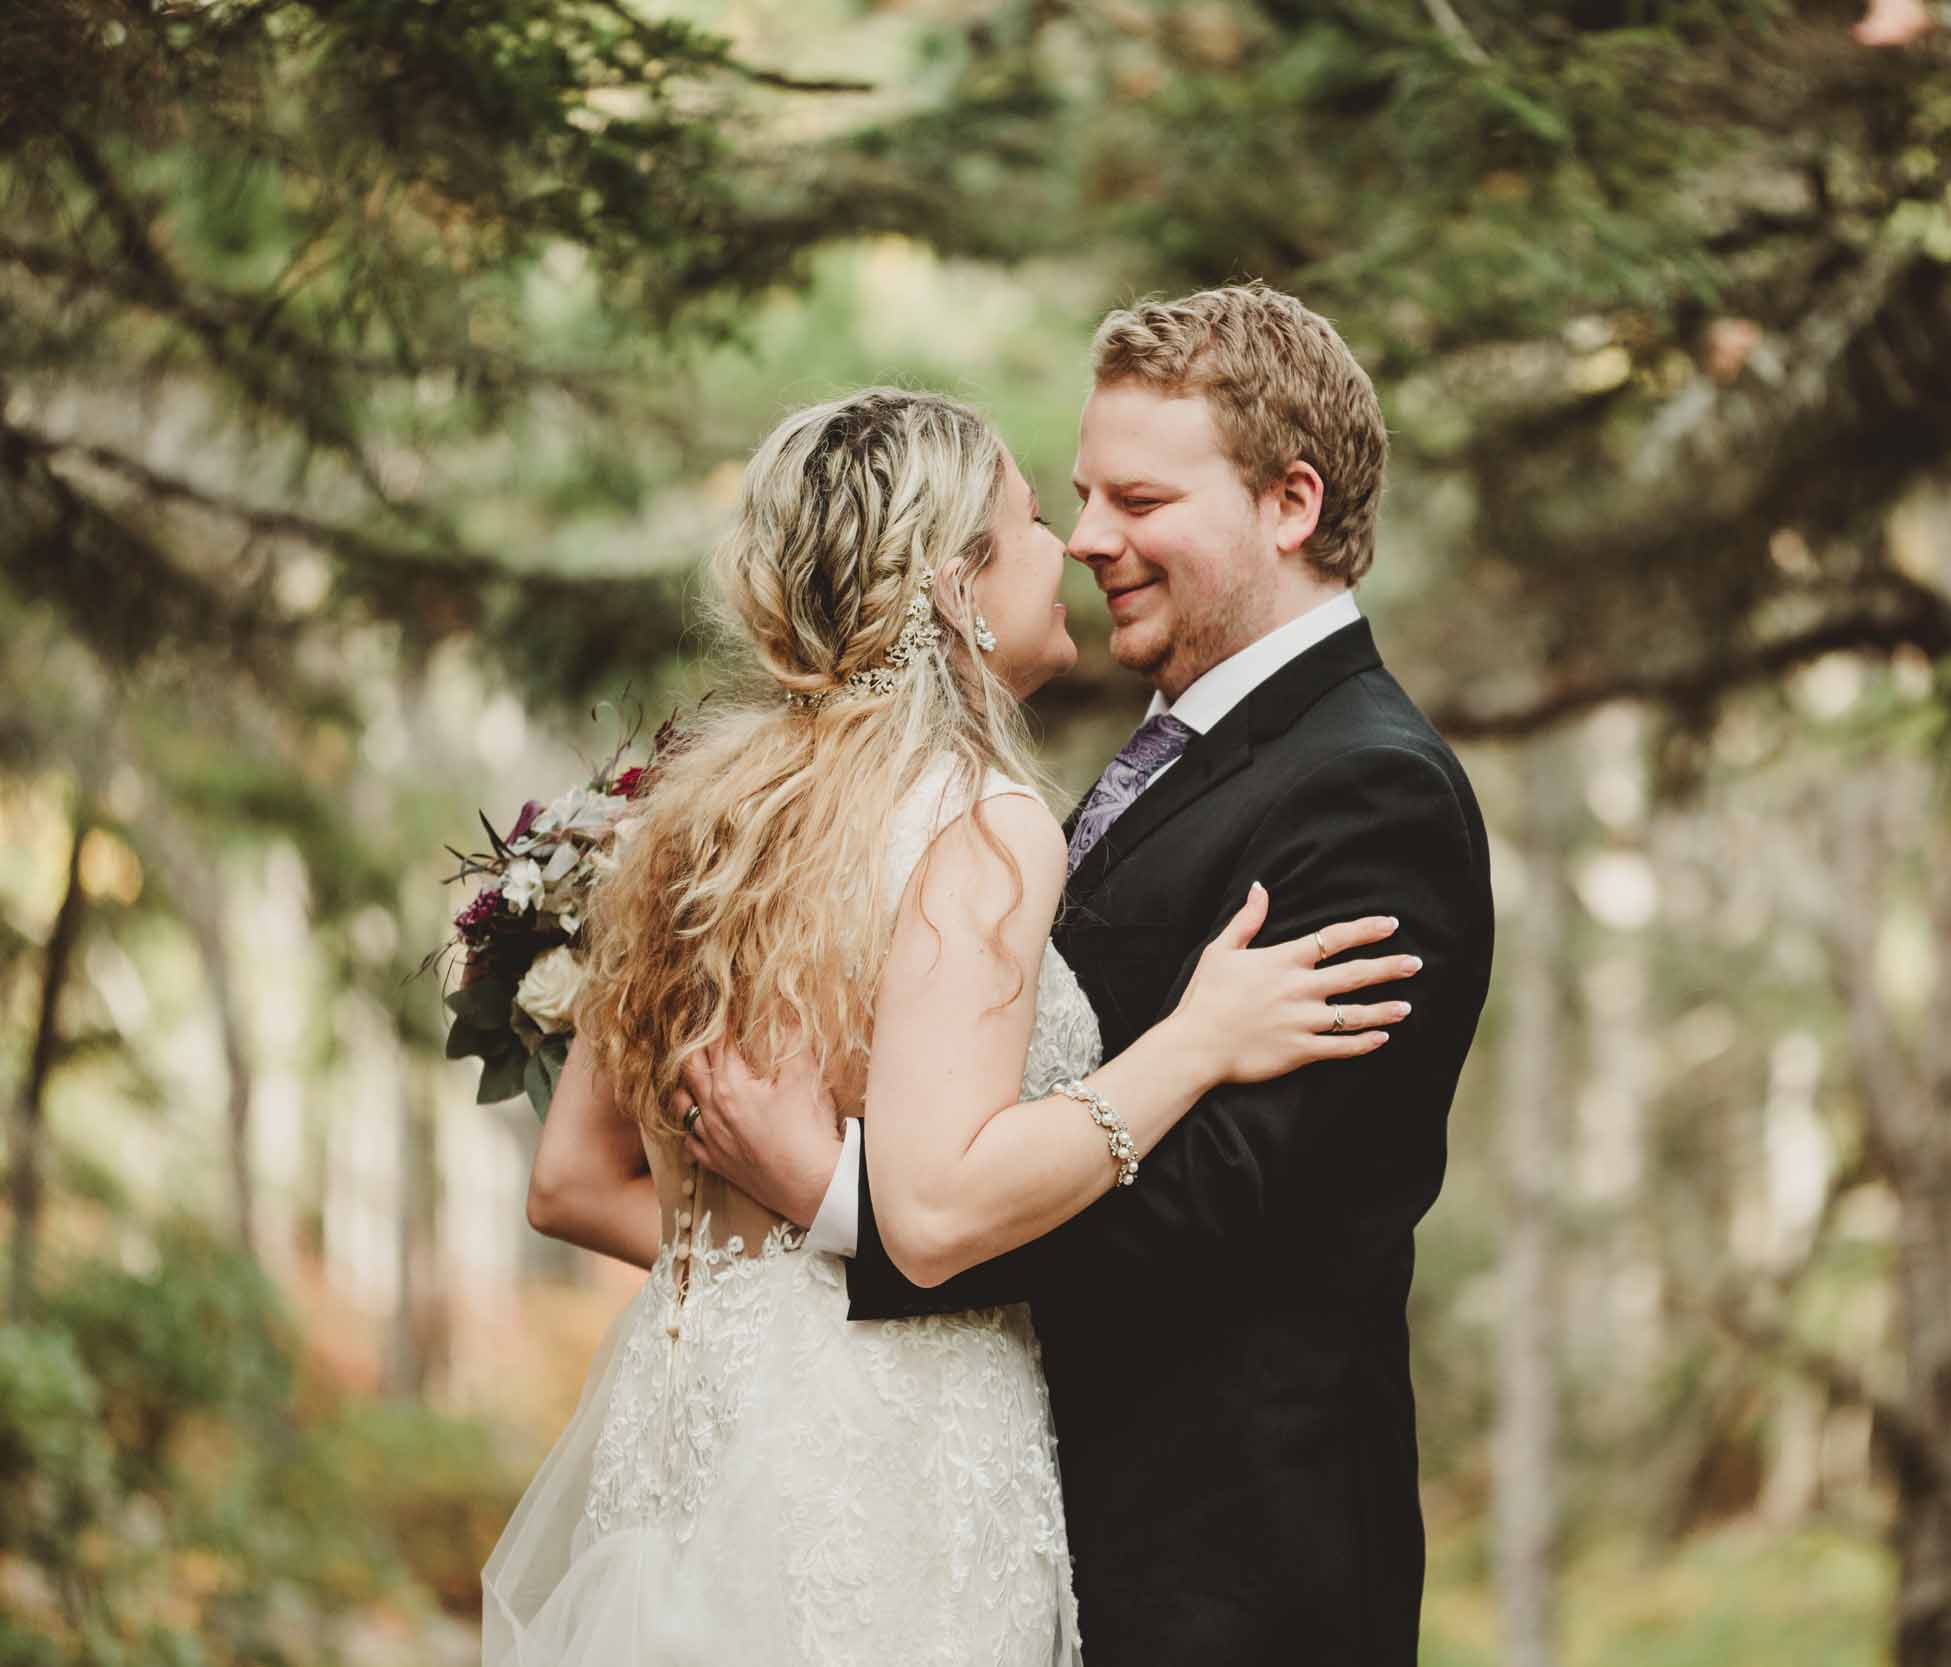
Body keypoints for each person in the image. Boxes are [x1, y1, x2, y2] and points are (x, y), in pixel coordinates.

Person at [488, 384, 1419, 1665]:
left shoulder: (688, 822)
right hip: (897, 1454)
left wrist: (790, 1248)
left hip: (703, 1432)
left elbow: (568, 1179)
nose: (1076, 549)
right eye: (1038, 519)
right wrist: (1193, 1042)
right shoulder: (979, 822)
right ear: (952, 587)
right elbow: (931, 1214)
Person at [681, 285, 1497, 1667]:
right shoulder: (1156, 755)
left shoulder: (1374, 793)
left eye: (1140, 499)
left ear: (1290, 504)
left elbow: (1218, 1201)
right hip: (1038, 1548)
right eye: (1081, 497)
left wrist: (844, 1200)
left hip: (1228, 1578)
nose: (1092, 540)